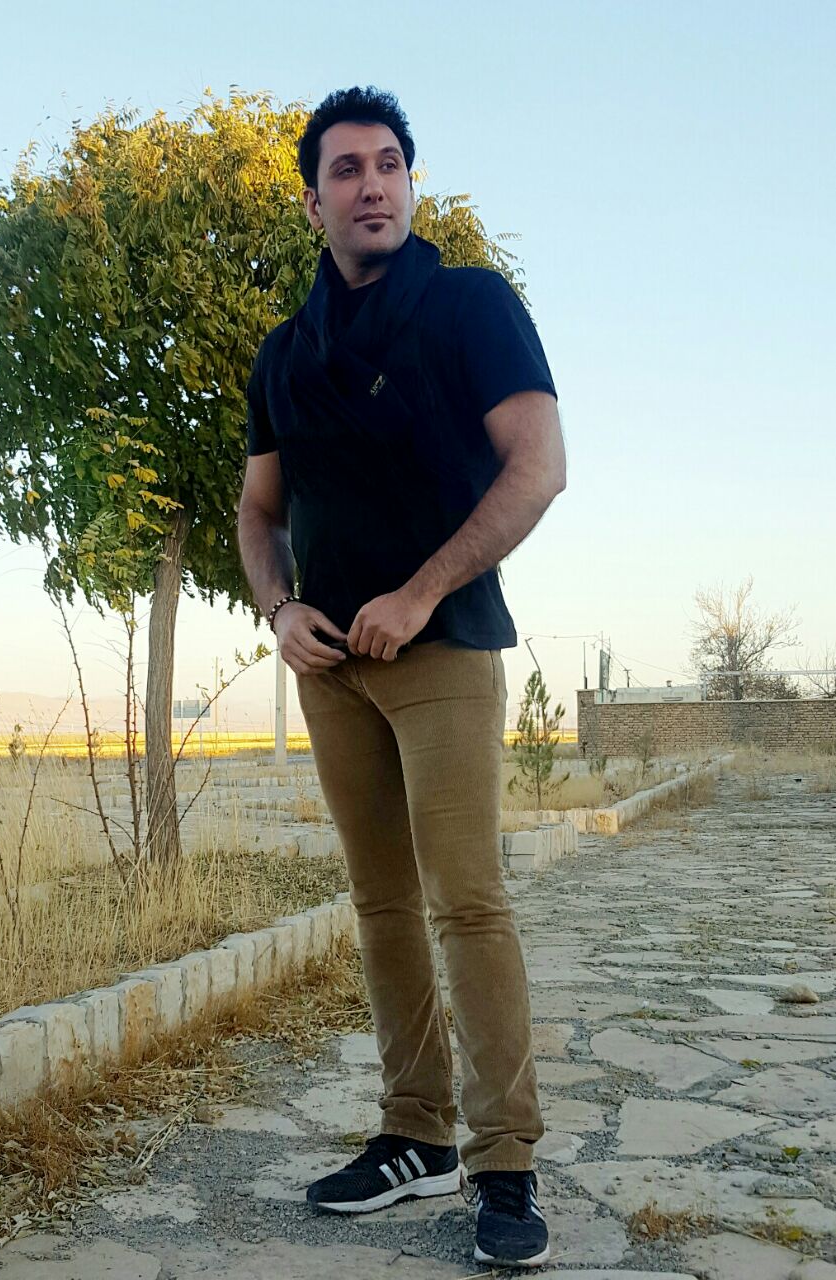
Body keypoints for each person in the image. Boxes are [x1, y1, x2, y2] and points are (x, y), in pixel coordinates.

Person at [237, 85, 565, 1270]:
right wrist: (280, 608)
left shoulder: (470, 303)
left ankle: (504, 1160)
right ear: (313, 200)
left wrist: (419, 593)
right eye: (346, 168)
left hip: (442, 645)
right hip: (330, 668)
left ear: (408, 184)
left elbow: (537, 466)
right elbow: (259, 511)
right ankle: (412, 1131)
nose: (370, 183)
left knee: (465, 898)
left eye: (388, 163)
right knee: (379, 904)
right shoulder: (284, 353)